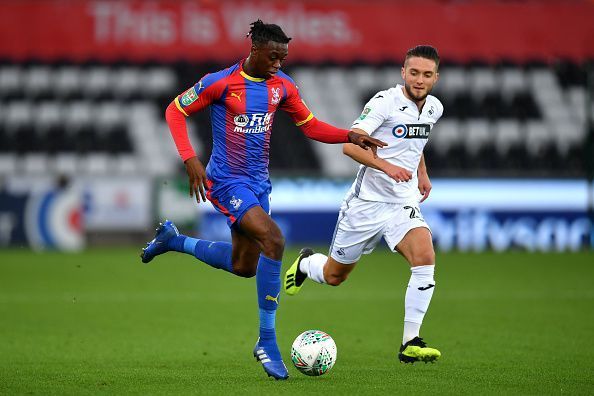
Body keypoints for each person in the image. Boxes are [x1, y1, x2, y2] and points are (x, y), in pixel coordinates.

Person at [140, 20, 386, 380]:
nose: (279, 64)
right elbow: (175, 111)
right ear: (255, 50)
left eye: (283, 58)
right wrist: (190, 158)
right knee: (274, 239)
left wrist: (349, 134)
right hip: (226, 181)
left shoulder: (282, 87)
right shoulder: (219, 82)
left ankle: (173, 240)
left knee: (245, 266)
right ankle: (266, 341)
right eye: (273, 56)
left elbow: (310, 125)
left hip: (258, 184)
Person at [284, 45, 443, 364]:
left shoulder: (434, 108)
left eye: (427, 74)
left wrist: (421, 174)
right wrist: (387, 167)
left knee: (424, 258)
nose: (420, 80)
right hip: (365, 205)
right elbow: (351, 146)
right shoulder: (385, 102)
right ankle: (305, 263)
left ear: (436, 77)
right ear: (403, 72)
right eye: (414, 72)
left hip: (402, 202)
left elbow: (416, 143)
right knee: (334, 276)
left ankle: (410, 341)